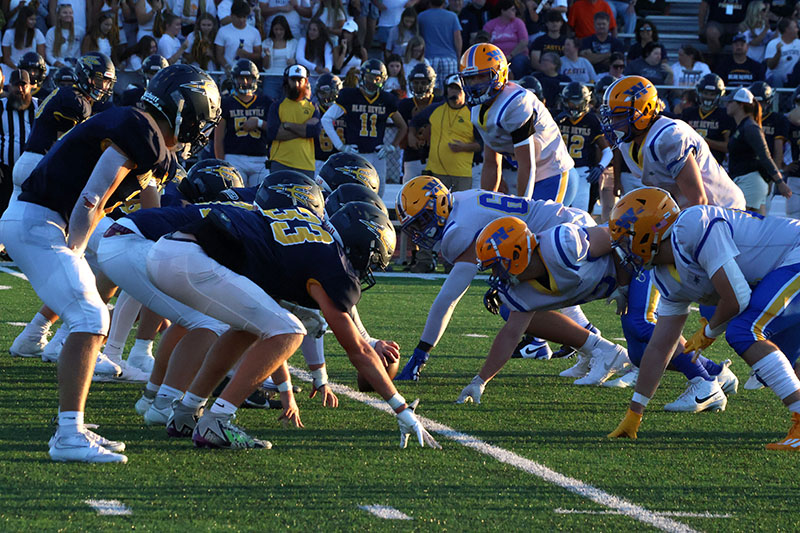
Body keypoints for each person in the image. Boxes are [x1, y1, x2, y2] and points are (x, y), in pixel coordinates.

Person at [0, 64, 220, 463]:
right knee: (90, 316)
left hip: (43, 218)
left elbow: (128, 206)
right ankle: (68, 435)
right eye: (201, 118)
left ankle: (73, 425)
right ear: (184, 110)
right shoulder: (140, 130)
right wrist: (76, 251)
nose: (201, 129)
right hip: (40, 220)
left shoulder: (145, 134)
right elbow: (92, 198)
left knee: (91, 313)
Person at [145, 199, 440, 450]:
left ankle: (186, 412)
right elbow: (359, 351)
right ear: (361, 247)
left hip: (170, 249)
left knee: (248, 328)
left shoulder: (311, 231)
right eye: (373, 261)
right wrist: (401, 408)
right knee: (290, 331)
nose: (367, 270)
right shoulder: (335, 266)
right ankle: (217, 420)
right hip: (192, 260)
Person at [606, 187, 800, 451]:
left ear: (646, 233)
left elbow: (737, 298)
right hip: (782, 269)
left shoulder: (692, 227)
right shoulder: (665, 275)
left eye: (626, 239)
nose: (623, 250)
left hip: (794, 253)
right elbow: (660, 346)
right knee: (780, 362)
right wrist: (635, 412)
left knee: (745, 331)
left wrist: (709, 332)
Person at [394, 176, 621, 381]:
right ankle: (588, 345)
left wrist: (421, 353)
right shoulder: (460, 201)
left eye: (423, 221)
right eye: (415, 226)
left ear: (441, 205)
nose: (420, 231)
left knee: (513, 303)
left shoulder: (459, 229)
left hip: (567, 240)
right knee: (522, 295)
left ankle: (598, 348)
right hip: (562, 225)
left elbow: (448, 298)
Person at [601, 75, 745, 209]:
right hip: (692, 211)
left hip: (722, 210)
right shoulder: (628, 145)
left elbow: (699, 200)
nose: (614, 123)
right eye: (611, 117)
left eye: (619, 116)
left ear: (645, 111)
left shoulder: (669, 138)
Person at [459, 42, 574, 201]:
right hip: (529, 172)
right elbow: (491, 163)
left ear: (500, 74)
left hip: (551, 171)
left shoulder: (515, 103)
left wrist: (522, 205)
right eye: (471, 78)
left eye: (482, 76)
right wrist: (485, 202)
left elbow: (527, 164)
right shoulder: (477, 109)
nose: (476, 83)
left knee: (532, 217)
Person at [321, 59, 408, 198]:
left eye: (377, 78)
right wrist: (340, 146)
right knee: (354, 193)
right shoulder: (350, 96)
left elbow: (402, 126)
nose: (372, 82)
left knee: (378, 195)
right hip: (355, 154)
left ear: (383, 80)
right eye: (369, 77)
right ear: (362, 76)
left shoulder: (386, 99)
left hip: (377, 155)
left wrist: (392, 146)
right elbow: (326, 119)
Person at [410, 74, 480, 193]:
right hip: (436, 173)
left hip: (462, 175)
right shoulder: (435, 109)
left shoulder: (472, 113)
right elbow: (415, 122)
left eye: (457, 89)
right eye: (451, 88)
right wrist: (411, 136)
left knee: (459, 203)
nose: (454, 92)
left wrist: (464, 147)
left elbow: (481, 144)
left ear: (464, 91)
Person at [726, 87, 791, 213]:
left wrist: (779, 181)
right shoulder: (744, 126)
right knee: (756, 224)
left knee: (739, 221)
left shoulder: (750, 127)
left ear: (741, 105)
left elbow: (765, 156)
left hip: (750, 183)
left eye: (730, 102)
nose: (727, 104)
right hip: (747, 181)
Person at [214, 59, 272, 187]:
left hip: (260, 159)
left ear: (255, 79)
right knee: (235, 195)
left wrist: (259, 123)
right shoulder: (227, 103)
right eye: (241, 78)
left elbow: (274, 129)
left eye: (248, 78)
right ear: (234, 79)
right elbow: (218, 138)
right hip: (234, 157)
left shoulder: (265, 102)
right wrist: (221, 163)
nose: (245, 82)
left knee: (259, 195)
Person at [557, 82, 611, 212]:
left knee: (579, 213)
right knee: (556, 210)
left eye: (578, 102)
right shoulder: (557, 118)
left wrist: (600, 167)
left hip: (581, 171)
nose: (574, 106)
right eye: (571, 102)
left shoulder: (591, 120)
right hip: (558, 170)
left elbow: (608, 151)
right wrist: (554, 122)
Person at [266, 64, 320, 178]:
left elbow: (314, 131)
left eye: (300, 80)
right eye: (293, 80)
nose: (296, 84)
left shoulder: (313, 107)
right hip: (280, 162)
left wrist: (287, 125)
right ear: (287, 81)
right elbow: (273, 133)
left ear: (306, 81)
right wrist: (303, 129)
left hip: (306, 165)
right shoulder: (276, 106)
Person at [680, 73, 734, 165]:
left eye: (712, 94)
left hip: (714, 163)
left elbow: (728, 147)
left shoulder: (724, 115)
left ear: (719, 95)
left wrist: (703, 141)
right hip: (690, 162)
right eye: (705, 93)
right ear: (699, 92)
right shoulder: (688, 113)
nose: (708, 97)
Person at [399, 62, 439, 183]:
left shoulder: (439, 103)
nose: (419, 86)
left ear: (431, 83)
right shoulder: (405, 105)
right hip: (412, 156)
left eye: (423, 82)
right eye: (416, 82)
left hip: (436, 157)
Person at [418, 0, 463, 93]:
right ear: (444, 3)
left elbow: (418, 38)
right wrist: (459, 58)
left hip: (429, 58)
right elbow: (457, 38)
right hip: (449, 59)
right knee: (450, 91)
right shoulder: (452, 16)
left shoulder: (421, 16)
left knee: (429, 91)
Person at [483, 0, 529, 79]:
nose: (515, 11)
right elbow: (484, 42)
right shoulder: (490, 25)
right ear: (503, 11)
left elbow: (524, 41)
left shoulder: (518, 23)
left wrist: (510, 55)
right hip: (496, 57)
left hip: (516, 55)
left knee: (518, 63)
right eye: (512, 9)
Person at [214, 0, 262, 71]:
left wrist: (246, 54)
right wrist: (227, 66)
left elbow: (258, 55)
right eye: (239, 17)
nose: (241, 20)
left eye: (244, 17)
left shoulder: (254, 32)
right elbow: (219, 55)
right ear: (232, 16)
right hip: (227, 74)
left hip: (247, 73)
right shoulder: (222, 31)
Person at [2, 6, 46, 81]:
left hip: (32, 68)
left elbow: (41, 56)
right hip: (13, 67)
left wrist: (31, 69)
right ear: (23, 19)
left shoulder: (37, 33)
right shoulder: (9, 33)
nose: (34, 22)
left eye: (35, 19)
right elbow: (6, 58)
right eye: (31, 19)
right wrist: (18, 69)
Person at [261, 15, 297, 102]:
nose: (278, 32)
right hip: (270, 77)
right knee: (269, 102)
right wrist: (267, 56)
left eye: (281, 29)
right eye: (276, 29)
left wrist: (294, 61)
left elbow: (298, 61)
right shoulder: (266, 42)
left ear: (286, 30)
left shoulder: (293, 42)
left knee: (287, 102)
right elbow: (265, 66)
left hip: (288, 78)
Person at [764, 17, 800, 87]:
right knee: (777, 77)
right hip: (774, 79)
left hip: (792, 78)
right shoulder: (773, 43)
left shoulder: (799, 43)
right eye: (795, 27)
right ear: (787, 29)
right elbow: (771, 66)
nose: (797, 30)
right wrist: (778, 53)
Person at [45, 4, 83, 68]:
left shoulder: (80, 31)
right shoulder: (51, 32)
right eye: (65, 13)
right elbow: (48, 53)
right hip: (57, 67)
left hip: (76, 67)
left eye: (70, 13)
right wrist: (57, 63)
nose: (68, 15)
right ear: (59, 16)